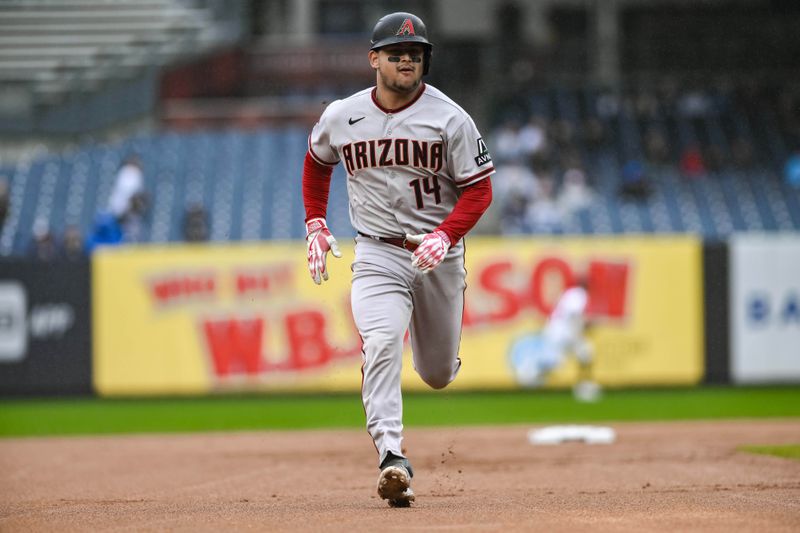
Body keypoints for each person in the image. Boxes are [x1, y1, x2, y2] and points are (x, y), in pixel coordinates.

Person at [301, 12, 494, 508]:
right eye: (396, 52)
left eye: (415, 53)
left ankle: (438, 361)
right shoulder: (342, 115)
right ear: (374, 59)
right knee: (382, 340)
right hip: (376, 251)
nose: (407, 59)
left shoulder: (450, 117)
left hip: (437, 256)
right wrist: (315, 222)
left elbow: (479, 189)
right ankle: (392, 456)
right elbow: (317, 162)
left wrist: (447, 235)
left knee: (436, 373)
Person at [509, 277, 600, 402]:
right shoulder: (578, 293)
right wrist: (587, 324)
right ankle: (529, 371)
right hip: (564, 333)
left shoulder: (569, 293)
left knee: (584, 354)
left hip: (559, 331)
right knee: (558, 361)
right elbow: (574, 314)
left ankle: (584, 387)